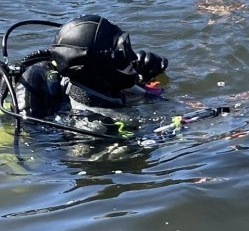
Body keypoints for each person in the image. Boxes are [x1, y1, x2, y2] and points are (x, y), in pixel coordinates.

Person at [1, 14, 171, 139]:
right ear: (99, 69)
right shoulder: (90, 125)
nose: (132, 58)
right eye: (122, 52)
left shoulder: (90, 82)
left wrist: (143, 78)